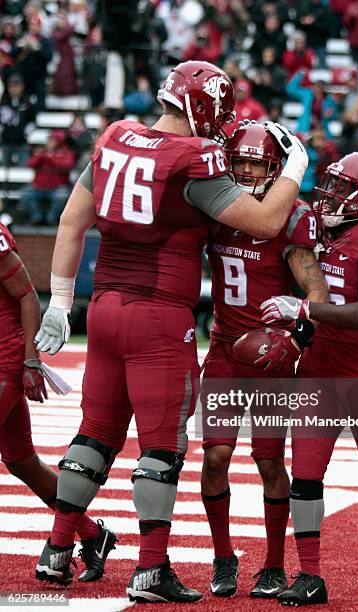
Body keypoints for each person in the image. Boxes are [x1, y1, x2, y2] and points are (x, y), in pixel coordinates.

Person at [33, 60, 308, 603]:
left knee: (94, 435)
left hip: (104, 311)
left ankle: (57, 550)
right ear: (205, 108)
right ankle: (152, 568)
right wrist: (295, 168)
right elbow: (264, 222)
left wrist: (60, 303)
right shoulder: (194, 157)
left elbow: (70, 222)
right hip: (159, 317)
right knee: (162, 449)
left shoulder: (114, 136)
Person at [260, 152, 358, 605]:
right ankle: (310, 575)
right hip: (318, 371)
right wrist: (293, 325)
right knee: (306, 476)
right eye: (332, 184)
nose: (333, 194)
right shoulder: (320, 230)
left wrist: (306, 309)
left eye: (344, 187)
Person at [201, 123, 328, 599]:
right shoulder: (215, 205)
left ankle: (274, 564)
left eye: (258, 163)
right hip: (224, 350)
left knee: (269, 462)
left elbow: (314, 285)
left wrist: (300, 330)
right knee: (215, 456)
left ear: (277, 169)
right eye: (240, 162)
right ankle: (223, 555)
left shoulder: (292, 216)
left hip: (271, 354)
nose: (248, 170)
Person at [0, 221, 117, 586]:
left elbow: (26, 296)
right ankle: (94, 536)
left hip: (3, 355)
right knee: (21, 462)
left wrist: (30, 360)